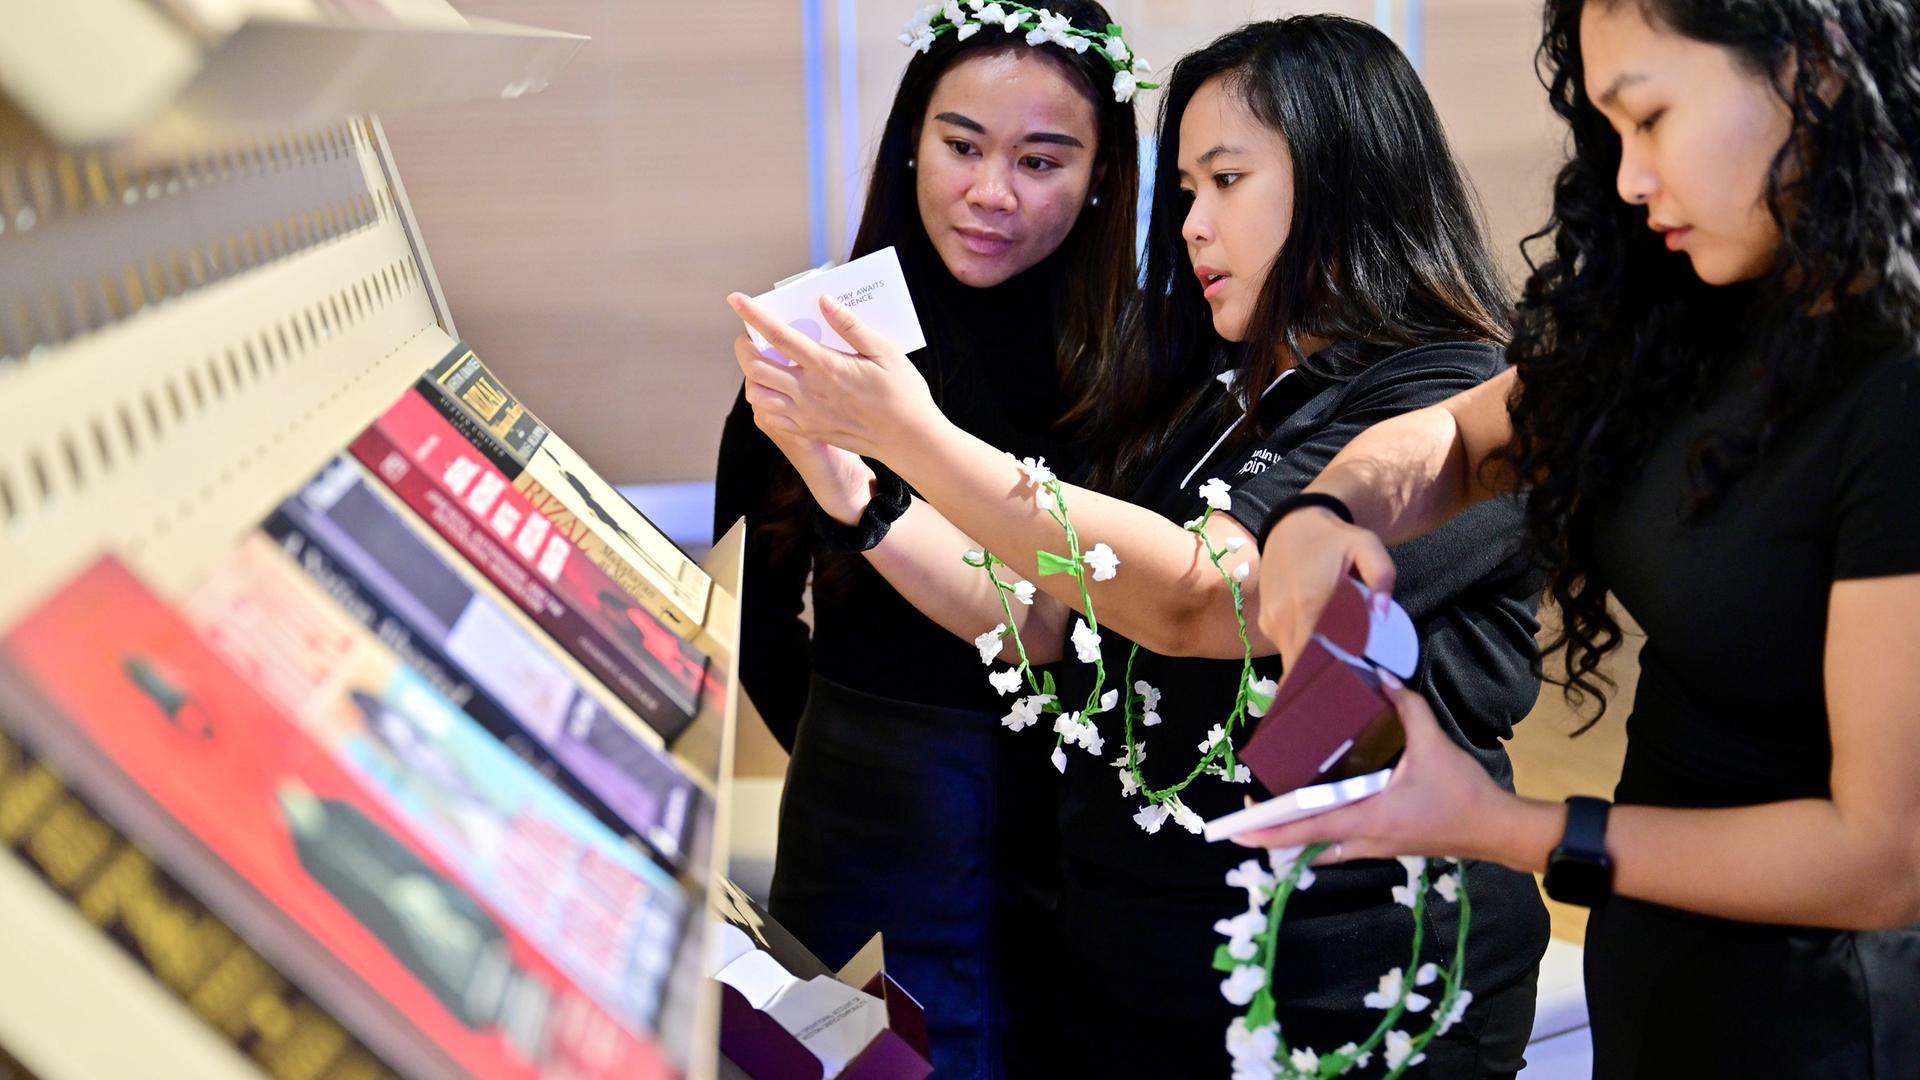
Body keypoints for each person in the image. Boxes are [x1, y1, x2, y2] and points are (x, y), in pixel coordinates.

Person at [732, 17, 1550, 1076]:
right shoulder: (1212, 393)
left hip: (1350, 983)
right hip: (1140, 976)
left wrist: (911, 435)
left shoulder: (1441, 395)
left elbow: (1199, 600)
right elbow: (1044, 620)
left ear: (1343, 178)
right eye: (1187, 190)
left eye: (1226, 181)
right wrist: (866, 503)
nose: (1194, 225)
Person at [1240, 0, 1920, 1075]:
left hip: (1833, 1011)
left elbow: (1886, 858)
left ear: (1816, 74)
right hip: (1659, 970)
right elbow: (1464, 438)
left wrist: (1513, 829)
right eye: (1611, 132)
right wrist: (1325, 514)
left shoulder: (1895, 385)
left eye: (1649, 121)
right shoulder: (1695, 303)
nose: (1630, 180)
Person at [710, 4, 1142, 1076]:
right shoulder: (819, 336)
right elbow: (756, 617)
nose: (991, 193)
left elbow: (1073, 625)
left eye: (1041, 161)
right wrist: (845, 747)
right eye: (961, 146)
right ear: (913, 140)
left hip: (1072, 828)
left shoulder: (1137, 364)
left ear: (1101, 174)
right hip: (861, 804)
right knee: (855, 1057)